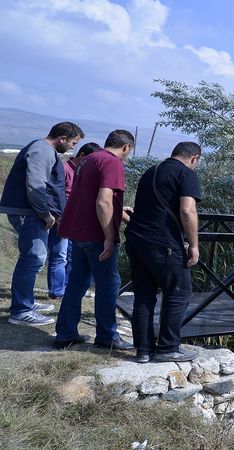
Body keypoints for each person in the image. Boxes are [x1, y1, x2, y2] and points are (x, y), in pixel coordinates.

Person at [54, 130, 135, 350]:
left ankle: (65, 334)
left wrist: (123, 214)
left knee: (76, 284)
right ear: (126, 147)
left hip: (78, 231)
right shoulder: (112, 162)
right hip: (96, 234)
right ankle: (107, 336)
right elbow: (103, 202)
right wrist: (109, 237)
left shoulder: (88, 159)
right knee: (108, 285)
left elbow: (90, 196)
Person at [125, 142, 202, 363]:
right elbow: (187, 211)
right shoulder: (186, 174)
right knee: (179, 292)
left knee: (144, 295)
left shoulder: (151, 171)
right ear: (194, 158)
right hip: (163, 242)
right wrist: (193, 245)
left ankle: (143, 350)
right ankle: (168, 348)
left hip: (137, 239)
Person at [0, 122, 83, 326]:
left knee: (33, 258)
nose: (72, 148)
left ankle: (25, 301)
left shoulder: (45, 150)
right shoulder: (42, 150)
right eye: (73, 143)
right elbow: (36, 185)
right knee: (33, 257)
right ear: (62, 138)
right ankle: (21, 310)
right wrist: (45, 214)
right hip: (29, 213)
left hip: (31, 212)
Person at [62, 142, 100, 283]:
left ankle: (67, 286)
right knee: (62, 256)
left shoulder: (84, 172)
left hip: (77, 220)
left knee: (71, 258)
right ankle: (62, 287)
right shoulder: (65, 169)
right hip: (66, 217)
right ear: (82, 155)